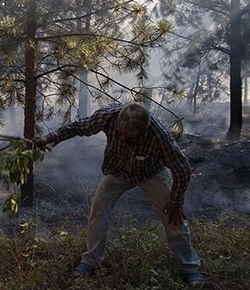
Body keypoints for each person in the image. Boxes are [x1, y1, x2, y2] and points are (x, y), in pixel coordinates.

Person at [34, 102, 203, 285]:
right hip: (119, 171)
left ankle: (191, 267)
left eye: (131, 138)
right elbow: (79, 126)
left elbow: (182, 169)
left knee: (173, 217)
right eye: (121, 134)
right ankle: (92, 260)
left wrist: (175, 201)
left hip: (152, 173)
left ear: (143, 131)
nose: (124, 140)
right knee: (98, 206)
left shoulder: (159, 136)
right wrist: (48, 137)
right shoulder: (108, 117)